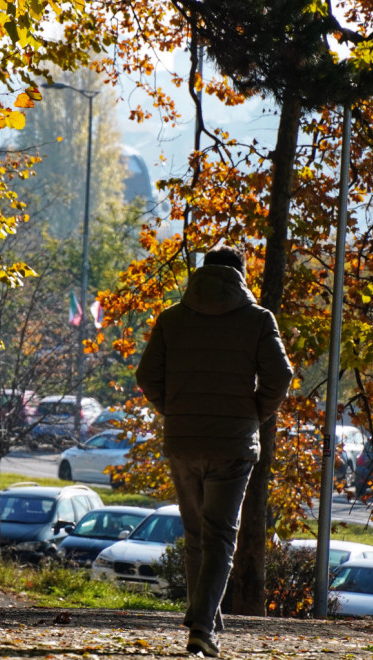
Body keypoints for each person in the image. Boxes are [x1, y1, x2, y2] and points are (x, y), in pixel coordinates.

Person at [136, 245, 292, 658]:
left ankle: (206, 621)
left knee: (196, 536)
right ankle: (202, 627)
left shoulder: (172, 318)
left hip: (183, 441)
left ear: (202, 274)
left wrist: (175, 410)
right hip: (233, 444)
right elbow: (281, 375)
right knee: (221, 535)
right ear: (241, 275)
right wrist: (255, 415)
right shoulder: (258, 320)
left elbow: (146, 374)